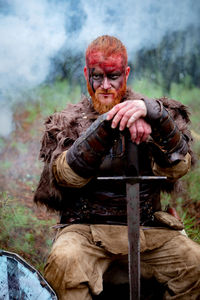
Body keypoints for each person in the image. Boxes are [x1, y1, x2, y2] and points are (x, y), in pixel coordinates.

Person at [34, 35, 200, 300]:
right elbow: (66, 176)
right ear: (87, 74)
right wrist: (108, 124)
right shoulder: (67, 122)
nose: (105, 86)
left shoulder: (156, 113)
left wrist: (154, 116)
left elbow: (178, 167)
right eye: (97, 77)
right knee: (63, 263)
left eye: (113, 76)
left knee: (195, 262)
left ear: (126, 73)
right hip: (85, 232)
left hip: (148, 231)